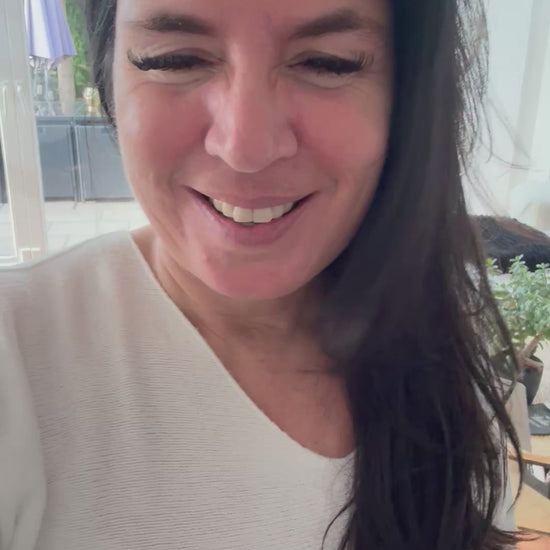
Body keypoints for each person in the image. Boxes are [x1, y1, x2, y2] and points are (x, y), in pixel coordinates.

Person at [0, 0, 524, 549]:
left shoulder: (453, 351)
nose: (245, 148)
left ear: (408, 95)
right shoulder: (20, 361)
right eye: (174, 59)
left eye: (328, 62)